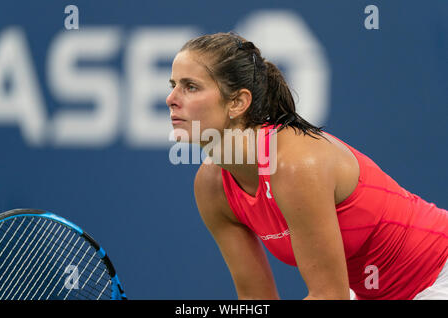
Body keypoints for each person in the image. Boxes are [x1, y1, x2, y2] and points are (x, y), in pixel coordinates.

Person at [165, 32, 448, 300]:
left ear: (238, 102)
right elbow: (255, 299)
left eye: (190, 87)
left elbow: (329, 296)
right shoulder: (212, 186)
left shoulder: (294, 164)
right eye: (173, 85)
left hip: (439, 274)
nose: (171, 99)